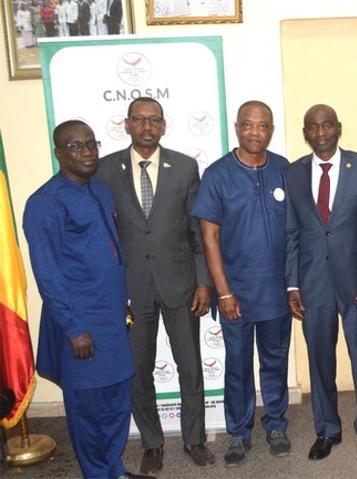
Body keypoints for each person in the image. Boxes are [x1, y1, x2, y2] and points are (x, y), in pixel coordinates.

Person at [22, 120, 151, 479]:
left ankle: (114, 470)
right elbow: (47, 273)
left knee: (117, 399)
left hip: (112, 318)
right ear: (58, 153)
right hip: (80, 323)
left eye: (91, 144)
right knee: (89, 409)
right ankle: (97, 474)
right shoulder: (45, 203)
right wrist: (74, 328)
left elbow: (110, 253)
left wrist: (122, 301)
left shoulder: (101, 190)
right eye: (76, 146)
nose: (87, 152)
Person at [96, 97, 215, 475]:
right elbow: (103, 236)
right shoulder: (105, 170)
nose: (147, 127)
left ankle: (194, 439)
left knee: (190, 367)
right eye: (139, 120)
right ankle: (152, 443)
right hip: (132, 290)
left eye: (154, 120)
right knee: (138, 370)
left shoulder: (184, 167)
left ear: (163, 126)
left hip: (181, 285)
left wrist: (203, 281)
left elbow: (196, 230)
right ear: (127, 124)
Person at [193, 101, 292, 467]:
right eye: (248, 125)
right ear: (237, 128)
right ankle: (238, 431)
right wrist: (223, 291)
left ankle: (276, 424)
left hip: (276, 291)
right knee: (237, 364)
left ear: (271, 130)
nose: (255, 132)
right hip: (234, 293)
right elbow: (209, 236)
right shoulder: (217, 175)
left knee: (275, 361)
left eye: (263, 125)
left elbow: (295, 231)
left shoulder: (283, 169)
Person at [285, 104, 357, 461]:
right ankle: (326, 429)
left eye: (327, 125)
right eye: (313, 127)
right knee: (319, 359)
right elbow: (291, 231)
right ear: (305, 133)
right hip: (313, 282)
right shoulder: (292, 173)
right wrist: (292, 285)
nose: (321, 133)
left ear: (338, 128)